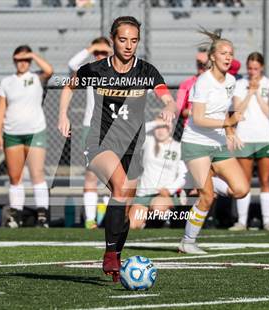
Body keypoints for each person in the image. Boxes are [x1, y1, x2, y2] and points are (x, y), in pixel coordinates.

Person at [58, 16, 177, 281]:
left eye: (134, 40)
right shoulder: (97, 69)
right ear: (112, 39)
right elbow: (68, 85)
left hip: (133, 147)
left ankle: (116, 254)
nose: (128, 45)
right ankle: (110, 254)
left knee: (124, 205)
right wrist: (62, 115)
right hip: (100, 142)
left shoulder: (147, 71)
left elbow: (168, 98)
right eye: (123, 39)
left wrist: (169, 107)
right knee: (121, 188)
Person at [178, 29, 249, 254]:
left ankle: (204, 179)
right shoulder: (203, 82)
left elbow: (222, 113)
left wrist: (229, 131)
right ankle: (187, 242)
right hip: (196, 143)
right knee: (207, 197)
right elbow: (197, 118)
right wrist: (228, 123)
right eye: (223, 53)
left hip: (216, 143)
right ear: (212, 57)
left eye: (231, 53)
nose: (228, 57)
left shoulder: (231, 80)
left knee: (241, 189)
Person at [0, 45, 53, 228]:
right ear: (14, 60)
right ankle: (15, 215)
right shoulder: (6, 82)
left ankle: (42, 215)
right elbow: (0, 109)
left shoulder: (36, 77)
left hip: (35, 130)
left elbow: (49, 70)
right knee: (15, 176)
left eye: (25, 60)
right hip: (12, 133)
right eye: (19, 59)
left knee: (37, 173)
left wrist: (33, 55)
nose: (22, 63)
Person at [67, 37, 112, 229]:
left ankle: (112, 219)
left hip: (113, 128)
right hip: (91, 127)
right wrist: (92, 48)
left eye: (104, 52)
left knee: (114, 176)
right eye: (97, 53)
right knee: (91, 175)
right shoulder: (90, 71)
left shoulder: (117, 70)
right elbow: (72, 64)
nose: (100, 56)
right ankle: (90, 220)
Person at [231, 52, 269, 231]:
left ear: (262, 68)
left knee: (265, 180)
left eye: (256, 68)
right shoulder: (239, 84)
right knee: (244, 181)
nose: (253, 72)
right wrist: (249, 93)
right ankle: (242, 221)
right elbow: (237, 110)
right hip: (245, 137)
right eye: (250, 68)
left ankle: (267, 221)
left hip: (264, 137)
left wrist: (257, 93)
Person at [129, 118, 187, 229]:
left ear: (170, 129)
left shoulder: (178, 147)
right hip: (143, 194)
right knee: (132, 226)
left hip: (163, 195)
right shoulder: (148, 141)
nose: (160, 131)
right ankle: (145, 223)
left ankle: (166, 220)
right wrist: (156, 122)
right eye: (157, 127)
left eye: (164, 127)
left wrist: (170, 189)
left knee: (158, 207)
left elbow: (183, 175)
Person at [174, 49, 209, 141]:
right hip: (190, 130)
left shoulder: (217, 84)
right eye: (198, 63)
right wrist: (192, 112)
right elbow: (178, 109)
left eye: (204, 63)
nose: (201, 66)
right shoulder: (186, 84)